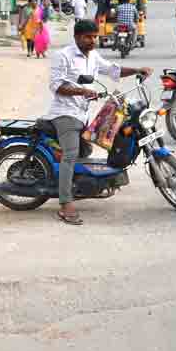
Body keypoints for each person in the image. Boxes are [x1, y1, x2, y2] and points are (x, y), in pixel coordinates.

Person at [42, 19, 150, 225]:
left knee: (87, 151)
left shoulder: (92, 56)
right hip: (64, 114)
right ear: (77, 37)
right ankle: (65, 204)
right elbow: (56, 86)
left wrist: (137, 70)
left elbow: (113, 70)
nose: (93, 41)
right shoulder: (63, 56)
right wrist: (83, 91)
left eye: (95, 37)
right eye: (88, 37)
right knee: (71, 155)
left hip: (82, 114)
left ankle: (79, 184)